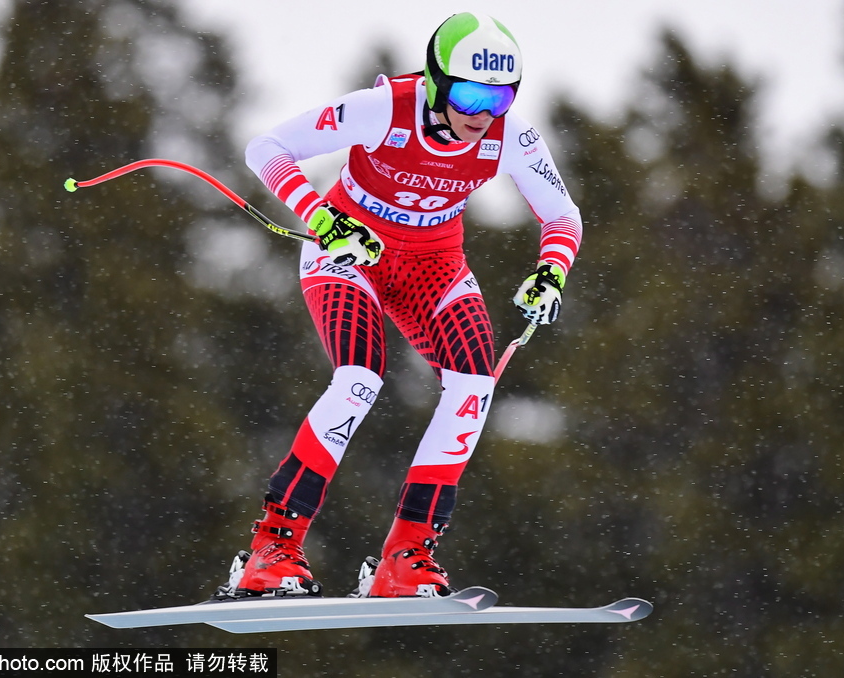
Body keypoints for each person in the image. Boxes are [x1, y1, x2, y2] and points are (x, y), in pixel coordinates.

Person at [221, 12, 583, 599]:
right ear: (438, 82)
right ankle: (273, 546)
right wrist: (320, 216)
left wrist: (552, 272)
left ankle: (405, 555)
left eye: (499, 97)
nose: (480, 113)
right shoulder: (385, 108)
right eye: (468, 92)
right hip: (349, 252)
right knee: (359, 378)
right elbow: (266, 148)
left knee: (474, 387)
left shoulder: (510, 136)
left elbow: (563, 216)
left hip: (433, 266)